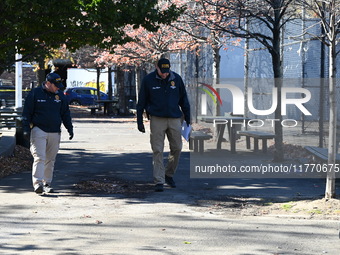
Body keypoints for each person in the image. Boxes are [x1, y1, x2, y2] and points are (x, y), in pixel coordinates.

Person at [136, 58, 190, 192]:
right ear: (157, 67)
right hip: (157, 118)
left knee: (177, 148)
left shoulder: (176, 79)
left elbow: (184, 98)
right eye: (162, 71)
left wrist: (188, 117)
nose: (165, 74)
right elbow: (141, 101)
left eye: (167, 71)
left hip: (174, 118)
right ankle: (159, 180)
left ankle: (168, 174)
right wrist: (139, 121)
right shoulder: (148, 80)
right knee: (158, 150)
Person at [22, 73, 74, 194]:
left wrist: (69, 128)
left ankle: (47, 183)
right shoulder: (35, 93)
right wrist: (25, 128)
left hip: (55, 131)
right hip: (39, 129)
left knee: (50, 159)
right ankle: (38, 184)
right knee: (39, 157)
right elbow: (27, 113)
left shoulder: (60, 96)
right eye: (55, 85)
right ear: (48, 83)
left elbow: (65, 113)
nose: (58, 88)